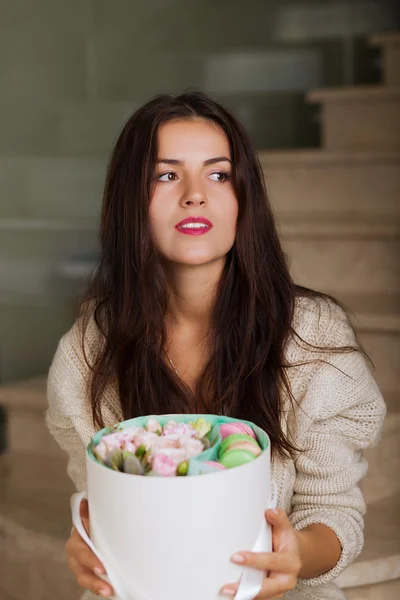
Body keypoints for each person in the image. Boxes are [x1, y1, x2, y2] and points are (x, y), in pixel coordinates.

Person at [46, 90, 386, 600]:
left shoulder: (311, 336)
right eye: (166, 175)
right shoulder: (87, 353)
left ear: (243, 197)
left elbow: (334, 513)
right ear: (129, 201)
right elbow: (100, 507)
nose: (195, 194)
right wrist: (87, 542)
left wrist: (295, 553)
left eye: (219, 173)